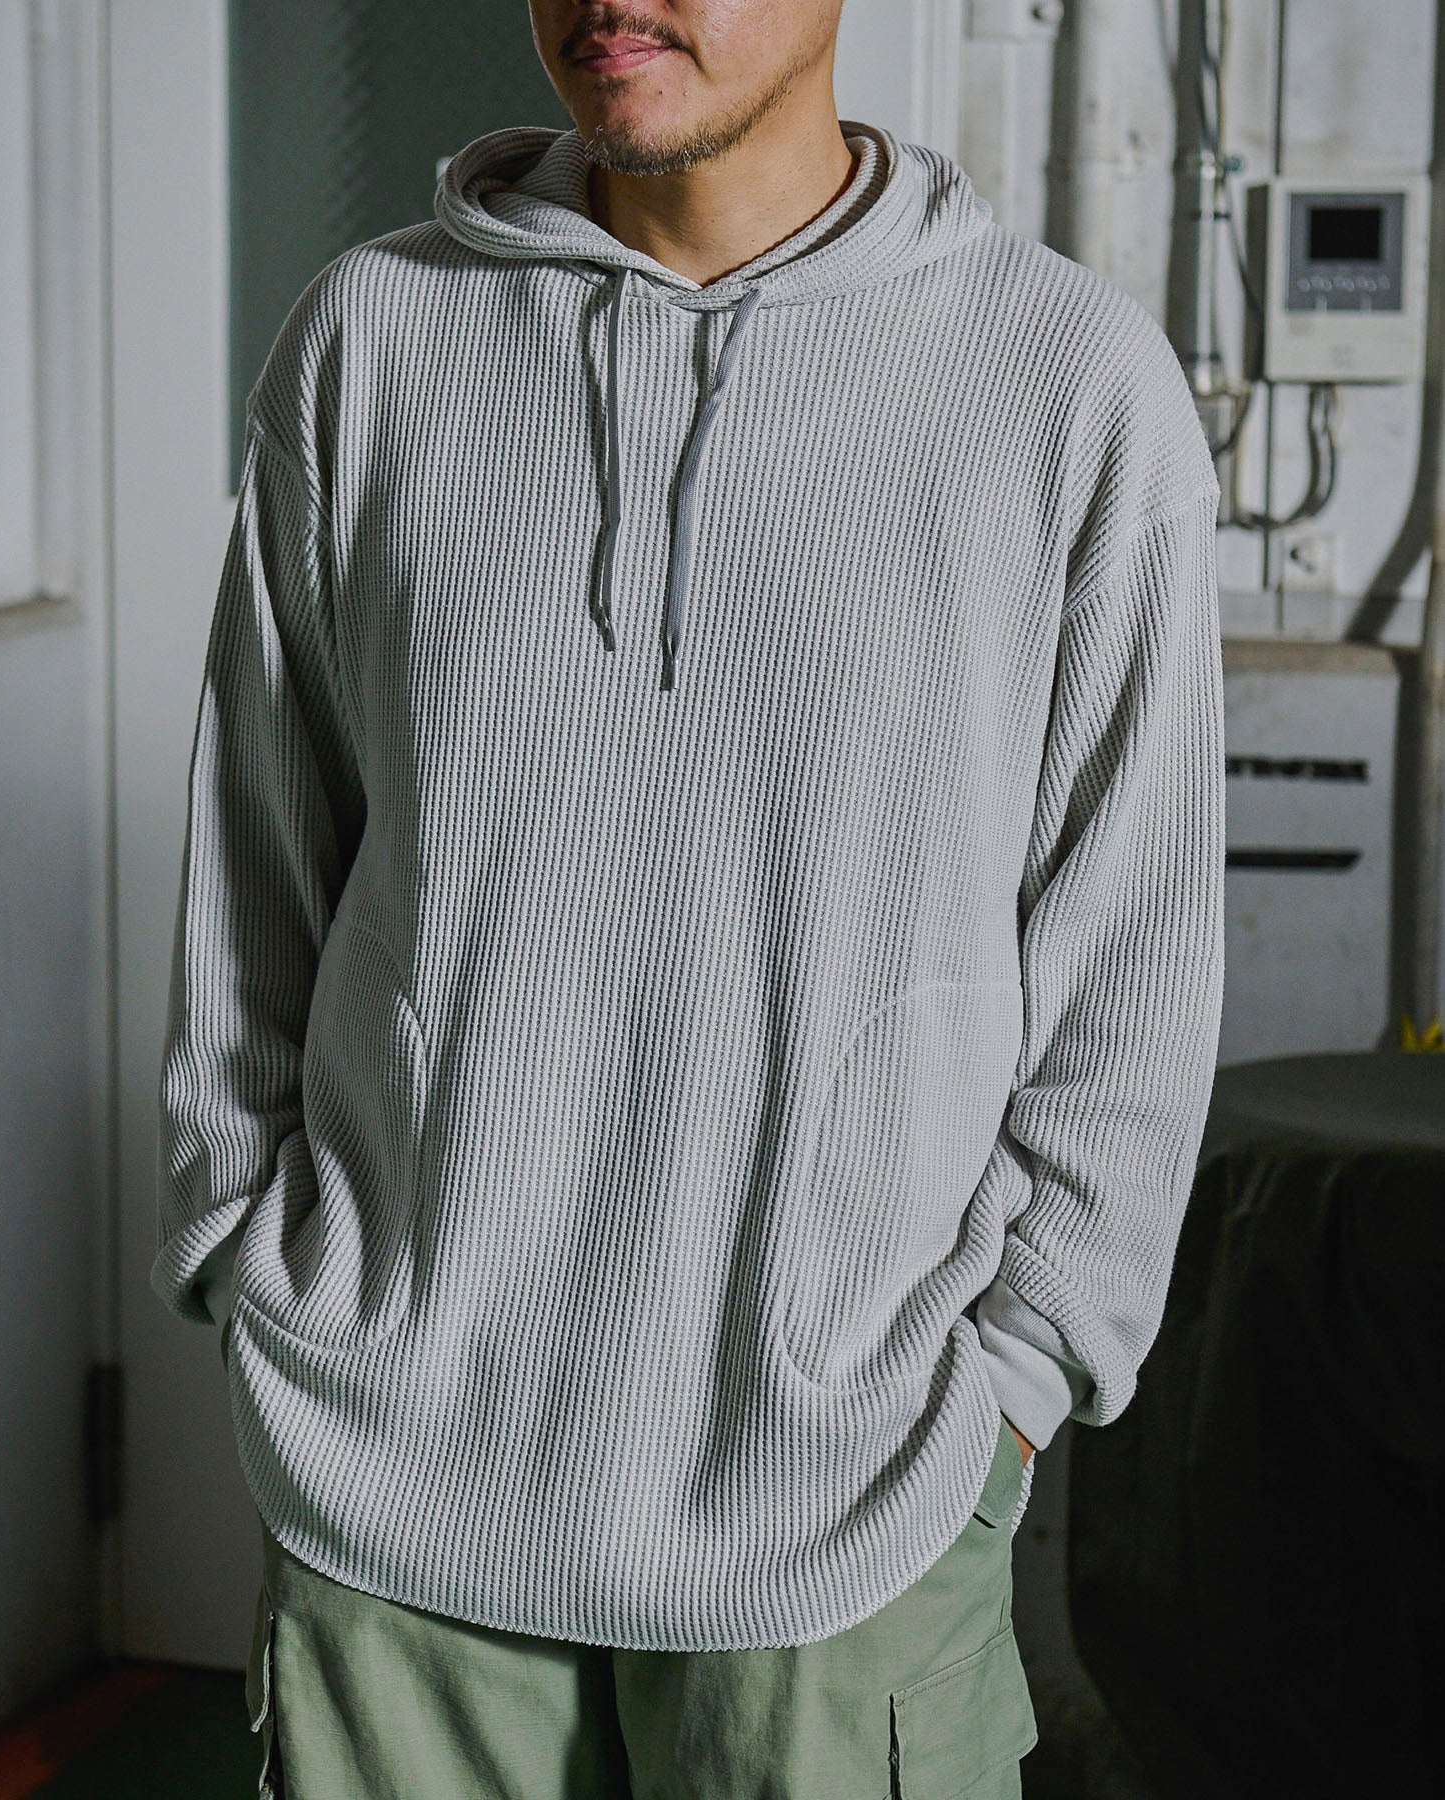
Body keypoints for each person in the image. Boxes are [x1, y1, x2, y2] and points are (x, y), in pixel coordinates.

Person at [151, 2, 1226, 1794]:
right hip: (389, 1471)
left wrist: (1020, 1380)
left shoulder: (1068, 382)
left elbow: (1132, 958)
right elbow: (258, 860)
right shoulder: (368, 338)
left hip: (856, 1495)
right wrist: (242, 1242)